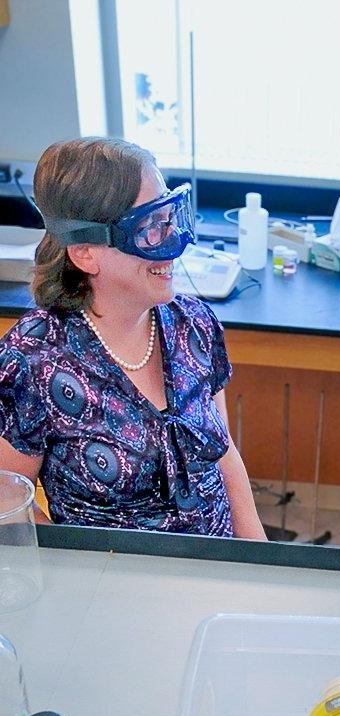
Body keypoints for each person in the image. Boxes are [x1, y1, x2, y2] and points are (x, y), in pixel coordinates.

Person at [0, 137, 266, 539]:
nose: (173, 245)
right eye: (150, 229)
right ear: (87, 252)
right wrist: (83, 575)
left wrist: (258, 561)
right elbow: (8, 497)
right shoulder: (32, 359)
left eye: (170, 218)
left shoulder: (194, 324)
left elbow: (223, 451)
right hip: (113, 584)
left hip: (218, 568)